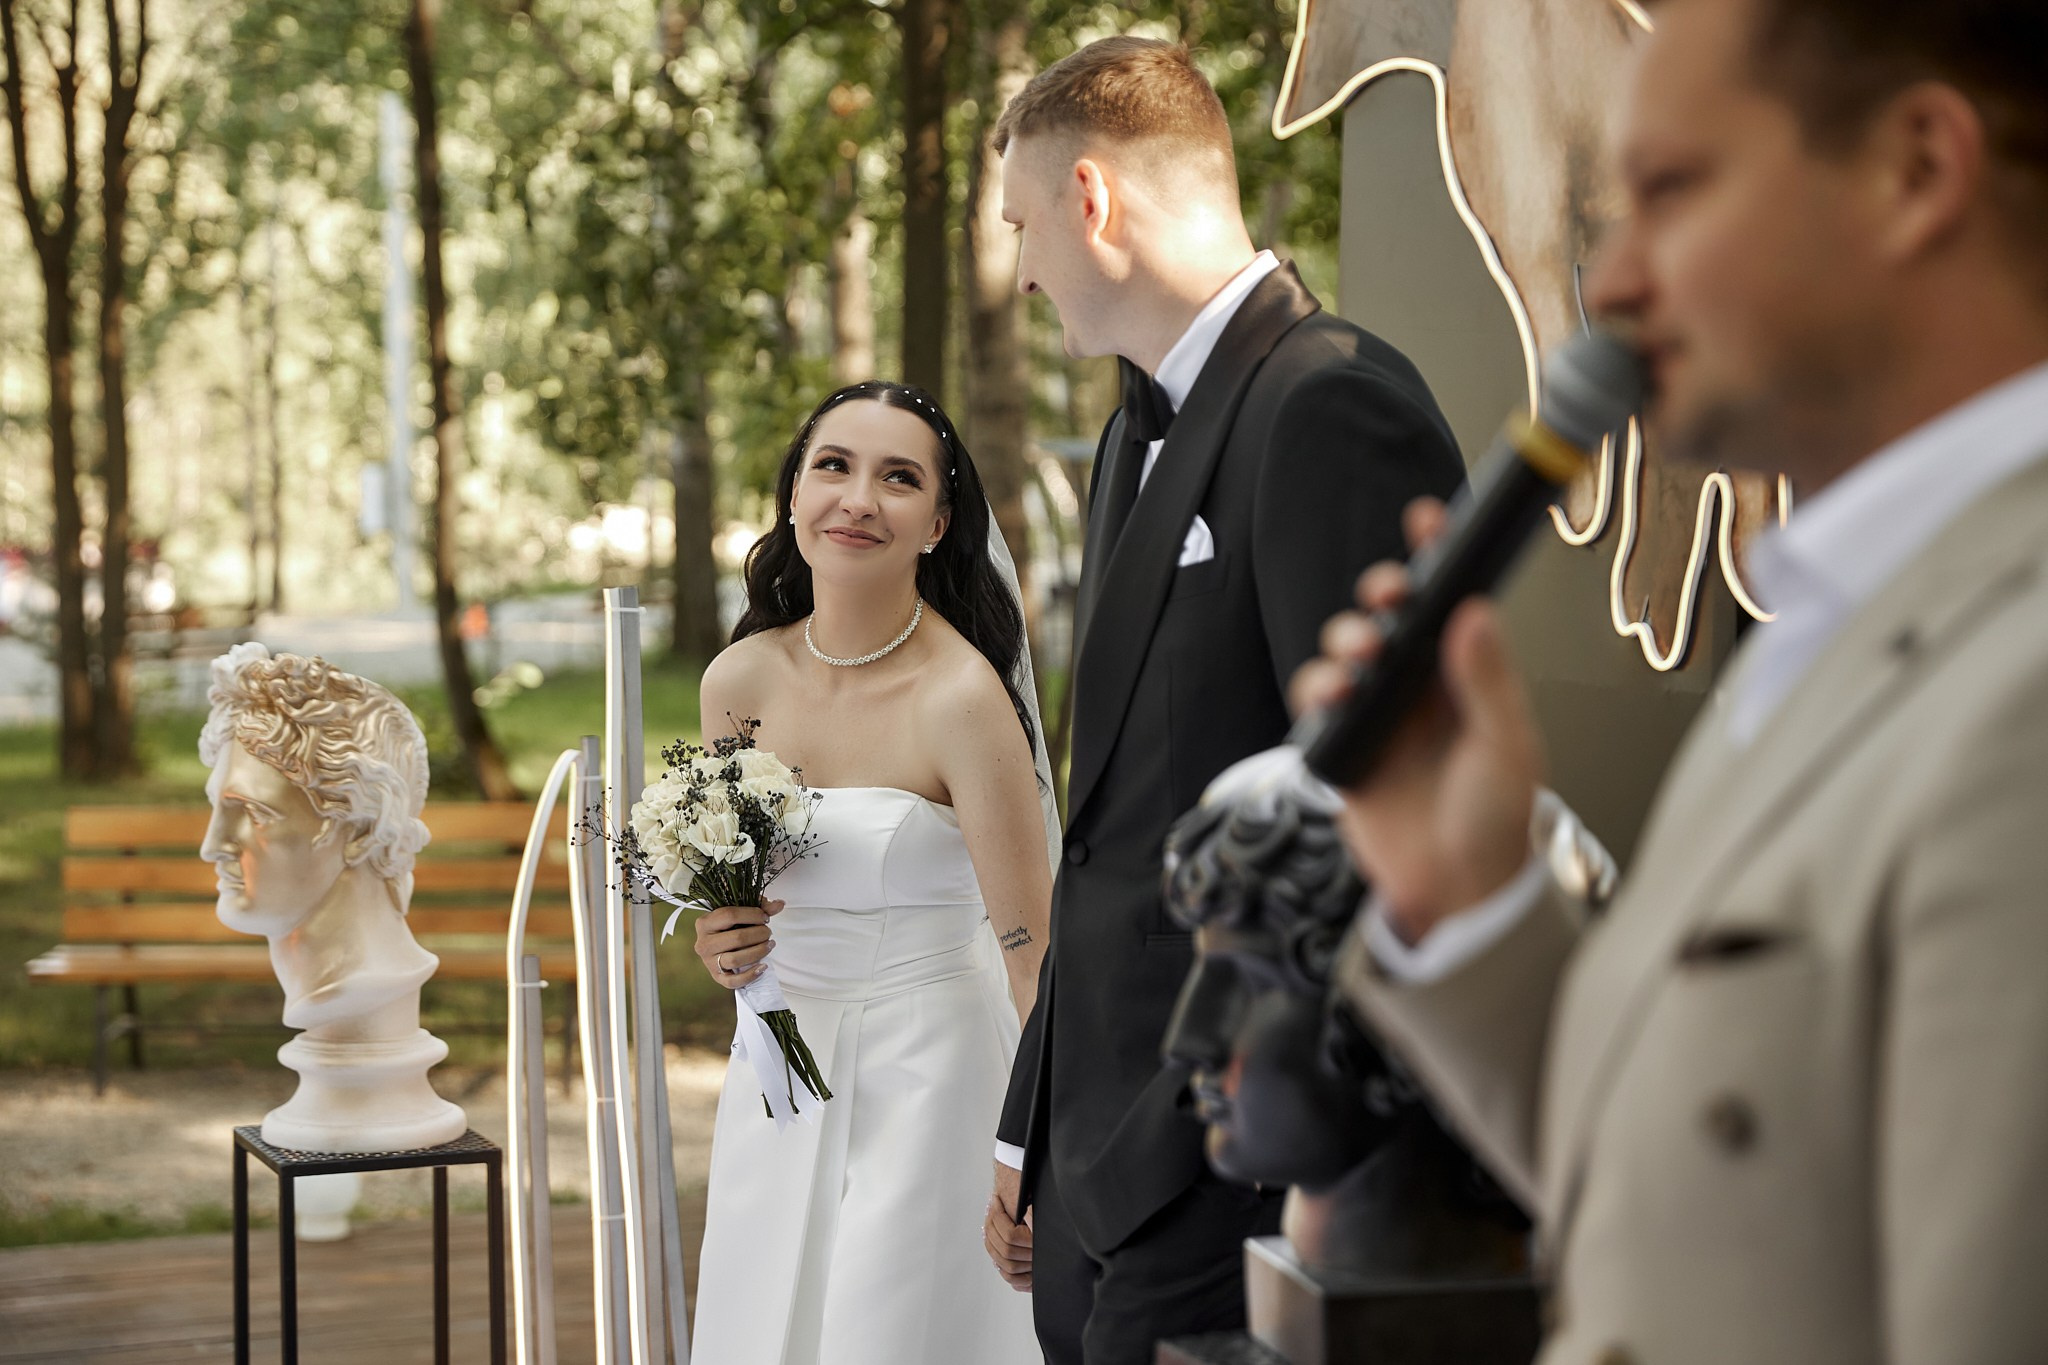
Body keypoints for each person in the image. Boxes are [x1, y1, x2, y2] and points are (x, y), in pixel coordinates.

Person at [1292, 0, 2048, 1361]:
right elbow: (1715, 1205)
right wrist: (1470, 895)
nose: (1619, 278)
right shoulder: (1848, 620)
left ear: (1916, 169)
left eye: (1669, 192)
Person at [983, 36, 1469, 1363]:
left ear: (1092, 199)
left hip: (1227, 1156)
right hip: (1093, 1158)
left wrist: (1275, 1153)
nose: (1020, 271)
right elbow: (1104, 830)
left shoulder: (1333, 403)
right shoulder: (1127, 437)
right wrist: (1032, 1122)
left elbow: (1373, 820)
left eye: (1022, 226)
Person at [687, 381, 1051, 1365]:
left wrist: (1038, 1149)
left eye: (898, 478)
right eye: (834, 466)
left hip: (929, 1078)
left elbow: (1034, 956)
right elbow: (738, 894)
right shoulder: (738, 681)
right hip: (777, 1073)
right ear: (793, 496)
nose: (857, 499)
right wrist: (723, 942)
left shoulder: (961, 698)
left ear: (937, 524)